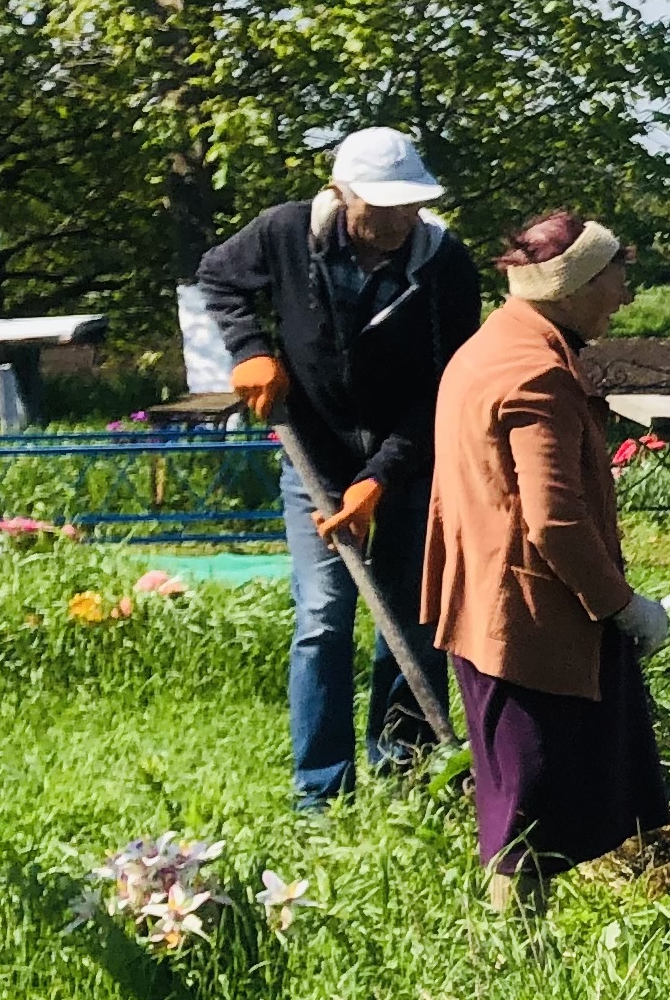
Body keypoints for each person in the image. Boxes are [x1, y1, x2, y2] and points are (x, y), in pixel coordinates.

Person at [195, 128, 481, 806]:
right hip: (314, 457)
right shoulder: (286, 234)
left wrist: (381, 476)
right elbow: (219, 275)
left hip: (410, 464)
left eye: (408, 206)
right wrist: (249, 350)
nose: (396, 221)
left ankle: (408, 773)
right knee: (323, 617)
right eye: (379, 207)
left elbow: (446, 387)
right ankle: (320, 794)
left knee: (409, 619)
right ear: (339, 194)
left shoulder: (445, 265)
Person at [422, 214, 670, 903]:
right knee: (530, 809)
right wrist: (626, 608)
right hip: (529, 623)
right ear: (572, 286)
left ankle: (520, 951)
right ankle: (516, 962)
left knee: (517, 789)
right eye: (614, 278)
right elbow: (556, 522)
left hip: (482, 605)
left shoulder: (489, 347)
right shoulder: (538, 373)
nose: (623, 296)